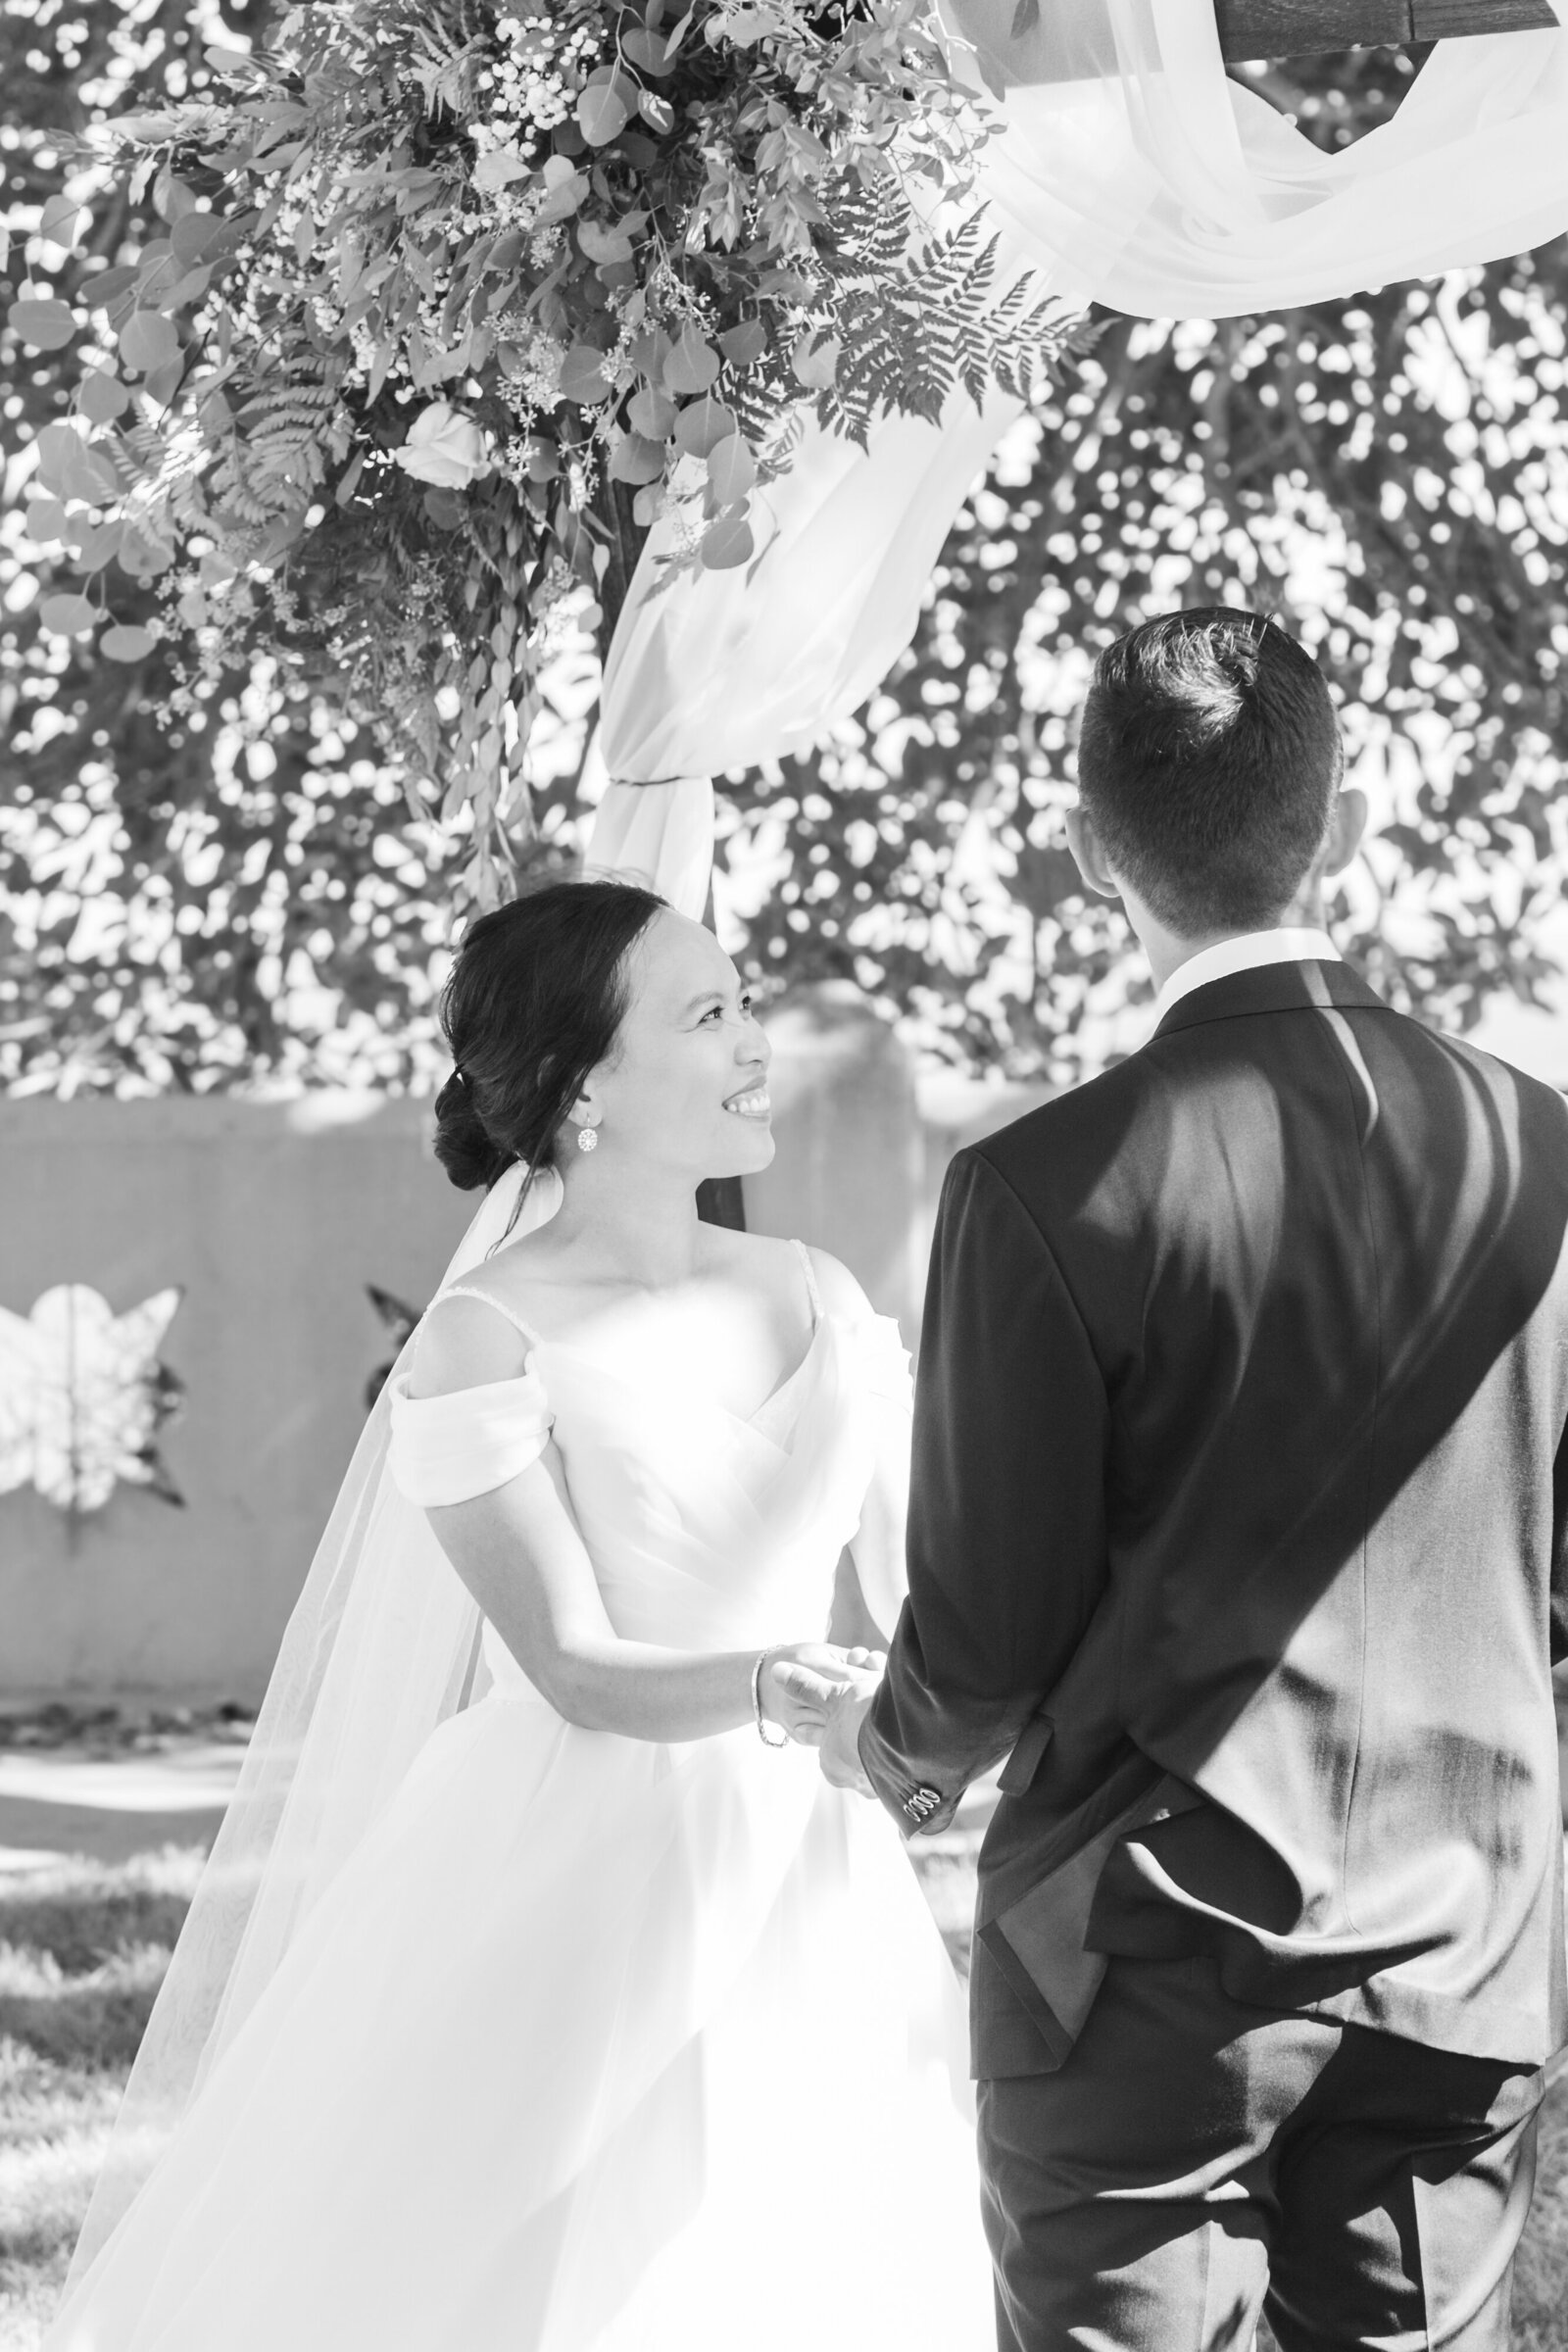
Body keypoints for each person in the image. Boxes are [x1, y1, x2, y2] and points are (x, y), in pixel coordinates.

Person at [47, 879, 992, 2350]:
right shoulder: (487, 1337)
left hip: (808, 1855)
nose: (754, 1040)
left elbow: (937, 1583)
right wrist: (777, 1688)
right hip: (578, 1854)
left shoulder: (817, 1294)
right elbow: (568, 1663)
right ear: (586, 1087)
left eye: (745, 1002)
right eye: (708, 1013)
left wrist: (950, 1716)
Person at [820, 608, 1568, 2351]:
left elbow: (987, 1640)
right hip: (1464, 1940)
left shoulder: (1045, 1187)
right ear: (1349, 822)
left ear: (1090, 852)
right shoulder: (1545, 1157)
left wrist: (892, 1753)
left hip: (1143, 1965)